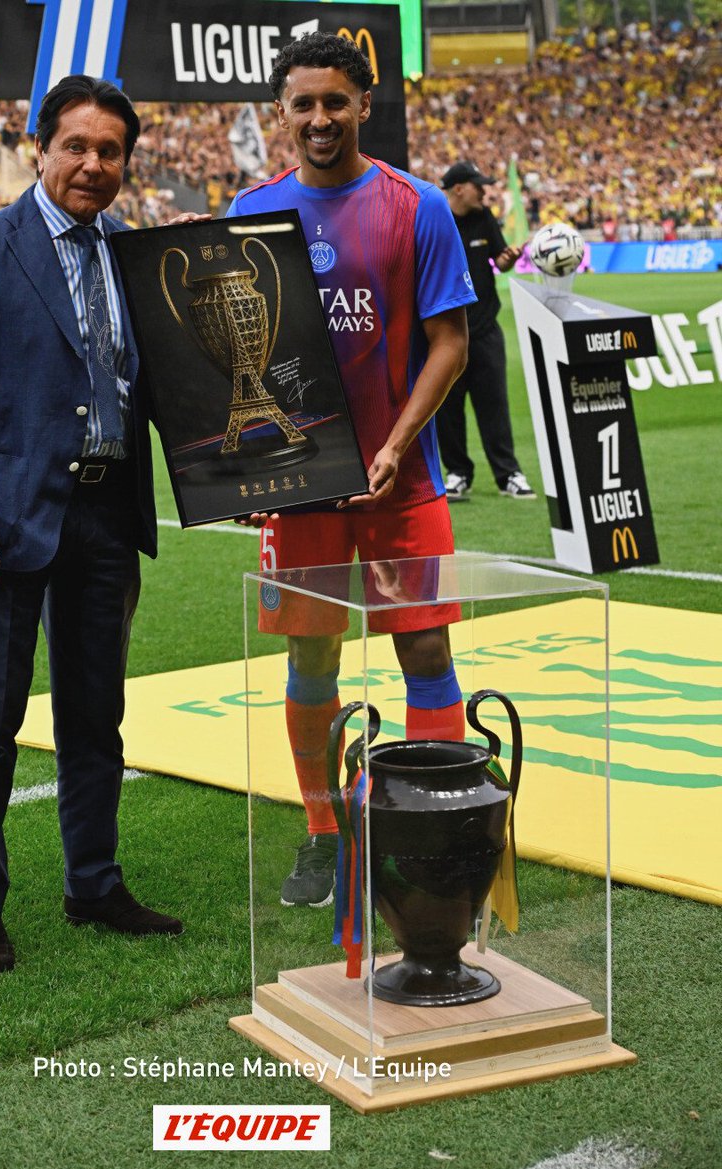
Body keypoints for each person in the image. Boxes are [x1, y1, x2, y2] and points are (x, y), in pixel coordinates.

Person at [0, 75, 182, 973]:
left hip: (106, 517)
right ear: (40, 147)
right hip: (2, 522)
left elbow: (162, 391)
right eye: (76, 146)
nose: (93, 165)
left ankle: (93, 883)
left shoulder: (135, 258)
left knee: (94, 717)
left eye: (110, 151)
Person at [226, 32, 475, 907]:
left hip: (401, 482)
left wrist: (401, 441)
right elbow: (224, 360)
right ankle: (324, 833)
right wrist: (244, 468)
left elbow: (451, 341)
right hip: (302, 489)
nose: (321, 118)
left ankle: (433, 822)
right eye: (304, 103)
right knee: (312, 654)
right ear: (282, 113)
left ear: (365, 104)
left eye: (337, 100)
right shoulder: (251, 209)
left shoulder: (418, 208)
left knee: (426, 643)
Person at [437, 159, 536, 501]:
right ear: (459, 188)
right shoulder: (434, 219)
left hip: (485, 330)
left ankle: (508, 475)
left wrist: (507, 259)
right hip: (444, 333)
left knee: (494, 405)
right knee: (447, 409)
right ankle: (457, 473)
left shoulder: (484, 218)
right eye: (479, 186)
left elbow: (500, 260)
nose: (484, 191)